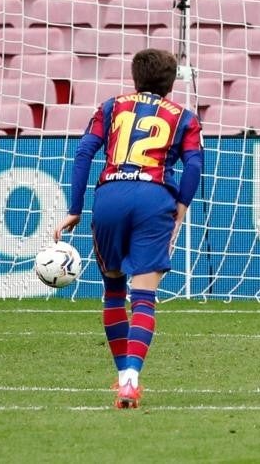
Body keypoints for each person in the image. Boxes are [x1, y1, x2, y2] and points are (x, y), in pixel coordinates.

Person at [54, 48, 203, 410]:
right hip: (154, 198)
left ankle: (122, 374)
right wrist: (181, 207)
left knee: (113, 292)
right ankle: (131, 379)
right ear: (170, 83)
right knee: (144, 296)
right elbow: (195, 164)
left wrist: (74, 209)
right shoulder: (184, 116)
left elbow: (83, 153)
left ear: (135, 77)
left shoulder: (110, 107)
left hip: (110, 197)